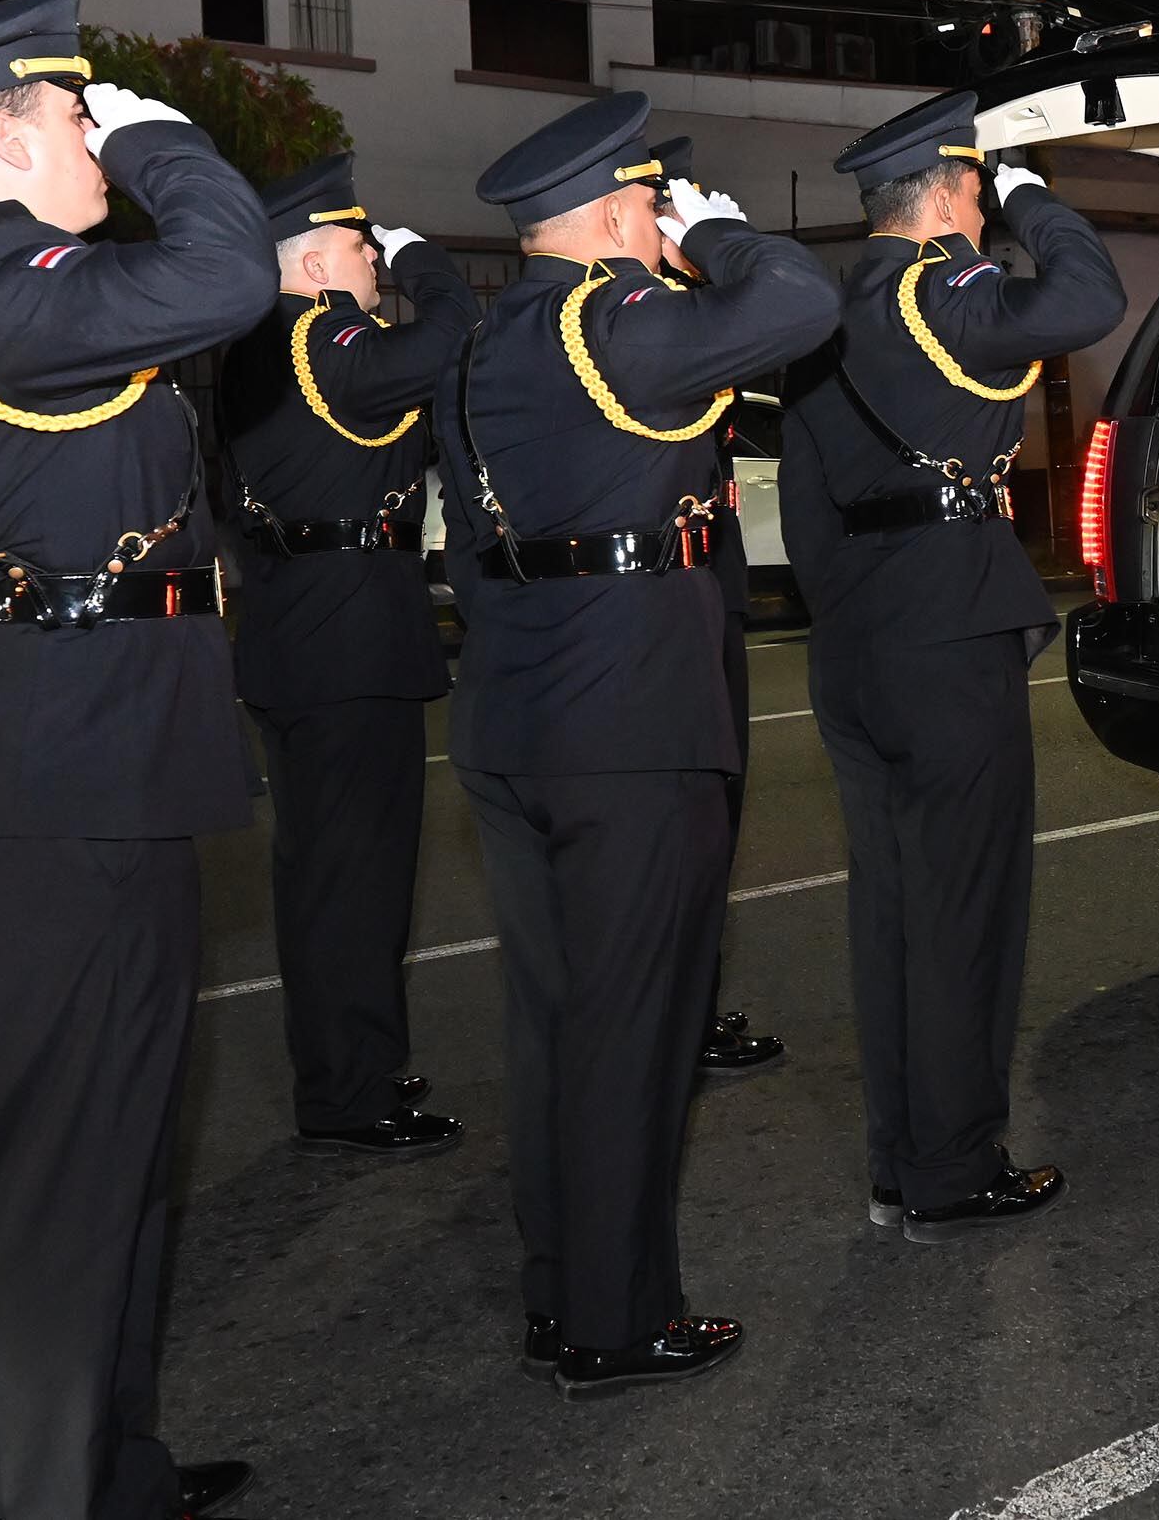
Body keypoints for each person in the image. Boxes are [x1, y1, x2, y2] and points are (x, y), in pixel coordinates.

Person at [0, 0, 270, 1520]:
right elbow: (227, 273)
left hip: (83, 752)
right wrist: (174, 142)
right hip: (46, 776)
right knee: (50, 1193)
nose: (99, 134)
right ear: (12, 133)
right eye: (82, 113)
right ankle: (47, 1492)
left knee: (113, 1159)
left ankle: (110, 1468)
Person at [434, 92, 836, 1397]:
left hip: (516, 711)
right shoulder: (607, 319)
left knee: (557, 1023)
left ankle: (564, 1290)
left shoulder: (480, 336)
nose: (667, 225)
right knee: (632, 1029)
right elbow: (795, 303)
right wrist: (724, 235)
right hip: (626, 720)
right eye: (655, 205)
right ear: (616, 214)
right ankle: (614, 1318)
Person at [779, 91, 1125, 1244]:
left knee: (892, 916)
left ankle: (903, 1159)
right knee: (966, 913)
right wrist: (1036, 193)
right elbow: (1088, 295)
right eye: (980, 190)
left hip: (860, 640)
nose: (987, 208)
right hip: (945, 636)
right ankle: (954, 1167)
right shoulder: (936, 289)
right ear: (942, 197)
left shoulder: (824, 318)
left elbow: (811, 508)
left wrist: (856, 616)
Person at [218, 151, 476, 1158]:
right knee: (352, 879)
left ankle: (357, 1063)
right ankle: (346, 1091)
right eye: (363, 246)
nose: (375, 260)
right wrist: (434, 266)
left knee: (332, 874)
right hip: (343, 640)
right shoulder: (317, 337)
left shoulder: (264, 343)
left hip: (308, 626)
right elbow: (451, 337)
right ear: (317, 263)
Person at [651, 134, 786, 1081]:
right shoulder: (646, 322)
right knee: (682, 822)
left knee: (712, 822)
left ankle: (689, 1006)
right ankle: (670, 1016)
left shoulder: (682, 316)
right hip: (671, 602)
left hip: (710, 590)